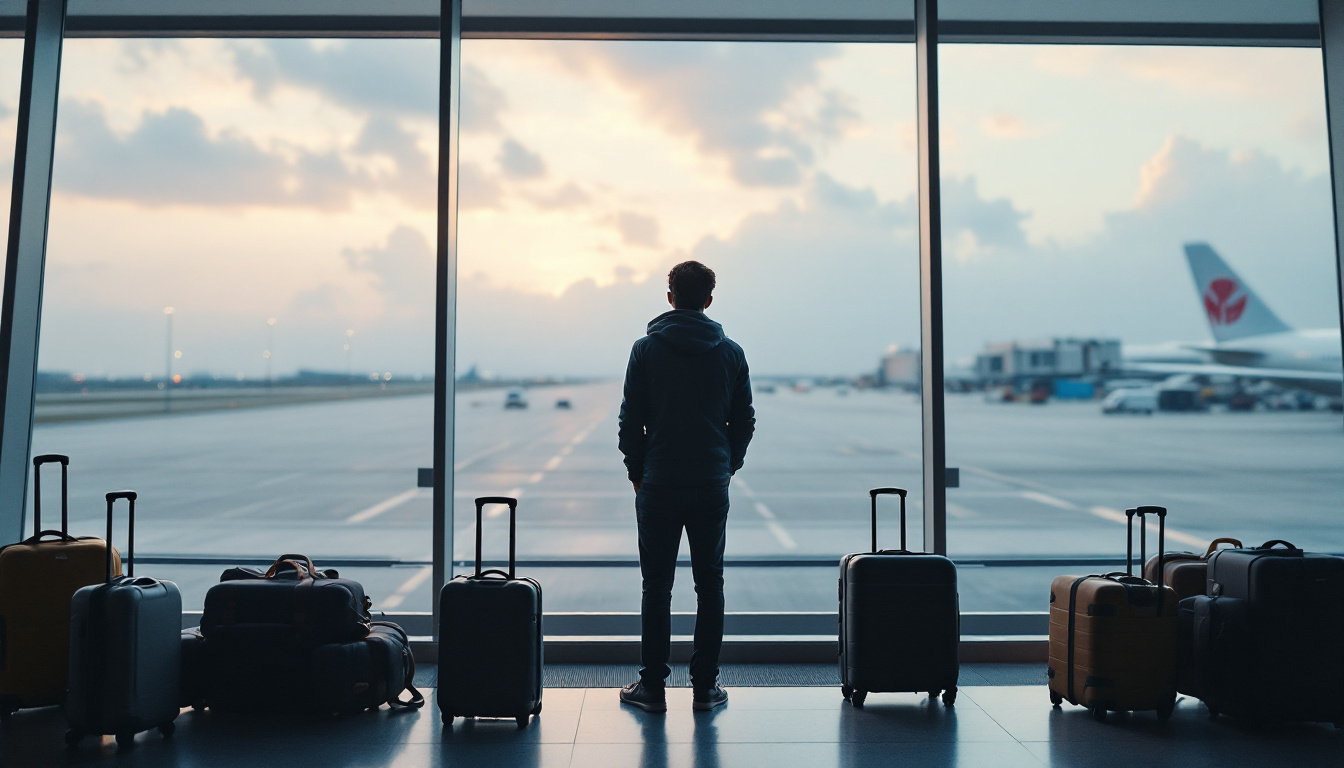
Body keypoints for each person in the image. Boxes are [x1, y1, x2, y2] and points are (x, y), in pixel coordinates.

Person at [617, 260, 755, 713]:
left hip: (658, 482)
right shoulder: (731, 353)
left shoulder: (645, 350)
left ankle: (653, 689)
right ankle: (704, 688)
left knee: (656, 586)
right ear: (709, 300)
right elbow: (744, 420)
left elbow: (629, 420)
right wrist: (727, 465)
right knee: (709, 585)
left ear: (670, 295)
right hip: (710, 484)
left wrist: (639, 472)